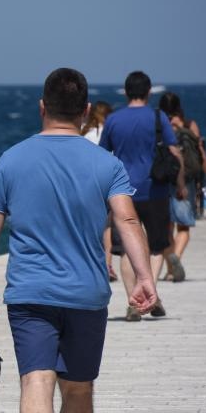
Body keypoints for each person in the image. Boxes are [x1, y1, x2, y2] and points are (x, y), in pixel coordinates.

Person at [0, 68, 157, 413]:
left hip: (31, 292)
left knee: (36, 380)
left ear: (41, 107)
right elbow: (128, 222)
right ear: (87, 111)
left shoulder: (11, 159)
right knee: (77, 389)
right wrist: (144, 276)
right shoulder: (105, 164)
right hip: (86, 294)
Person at [99, 71, 185, 321]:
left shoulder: (113, 120)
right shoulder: (158, 117)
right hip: (155, 189)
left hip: (122, 192)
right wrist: (179, 183)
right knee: (157, 246)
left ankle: (132, 302)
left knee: (125, 248)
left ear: (126, 92)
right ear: (149, 92)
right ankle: (151, 295)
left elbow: (103, 155)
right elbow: (174, 152)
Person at [158, 91, 206, 281]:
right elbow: (200, 153)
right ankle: (176, 259)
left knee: (166, 227)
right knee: (184, 226)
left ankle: (171, 268)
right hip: (186, 180)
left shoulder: (160, 124)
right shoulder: (189, 125)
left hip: (163, 179)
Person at [81, 101, 117, 280]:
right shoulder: (110, 132)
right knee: (107, 227)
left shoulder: (83, 132)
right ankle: (107, 265)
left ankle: (88, 264)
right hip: (104, 183)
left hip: (83, 185)